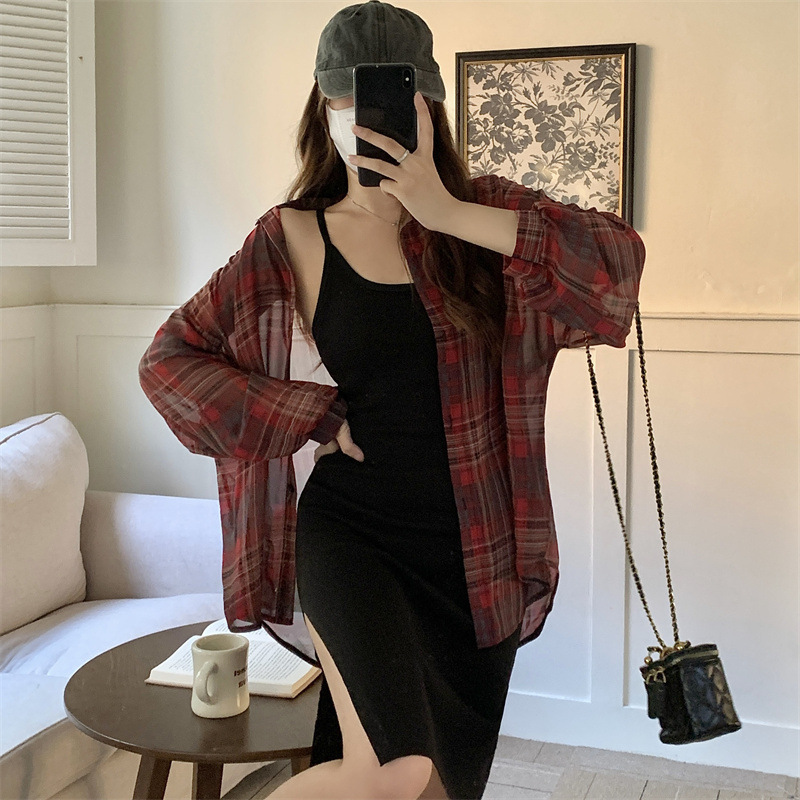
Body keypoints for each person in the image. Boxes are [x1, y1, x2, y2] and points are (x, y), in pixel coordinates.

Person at [137, 2, 646, 798]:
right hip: (352, 534)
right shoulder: (292, 235)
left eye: (386, 100)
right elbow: (169, 362)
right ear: (322, 109)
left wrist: (446, 212)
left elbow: (615, 272)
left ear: (428, 107)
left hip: (476, 553)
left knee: (437, 784)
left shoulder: (486, 215)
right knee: (392, 769)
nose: (362, 119)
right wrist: (306, 415)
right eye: (345, 100)